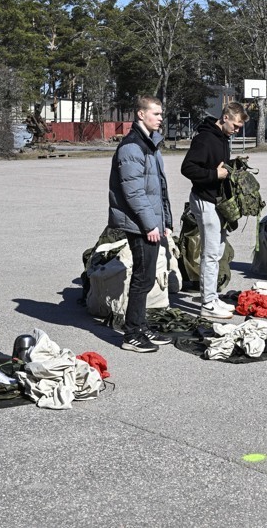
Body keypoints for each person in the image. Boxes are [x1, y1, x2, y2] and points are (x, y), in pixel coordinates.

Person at [108, 97, 174, 353]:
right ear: (140, 114)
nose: (160, 118)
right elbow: (134, 193)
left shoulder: (149, 144)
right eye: (156, 114)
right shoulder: (132, 147)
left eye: (161, 114)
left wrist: (164, 220)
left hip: (150, 222)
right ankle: (131, 334)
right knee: (142, 278)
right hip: (138, 224)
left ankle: (140, 324)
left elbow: (159, 188)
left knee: (146, 278)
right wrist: (150, 225)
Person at [180, 103, 249, 320]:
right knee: (210, 254)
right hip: (204, 200)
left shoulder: (222, 138)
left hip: (217, 202)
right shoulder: (205, 138)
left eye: (240, 127)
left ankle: (213, 296)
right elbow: (187, 168)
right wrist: (214, 175)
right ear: (225, 117)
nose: (237, 130)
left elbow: (218, 165)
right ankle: (207, 303)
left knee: (218, 250)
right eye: (236, 125)